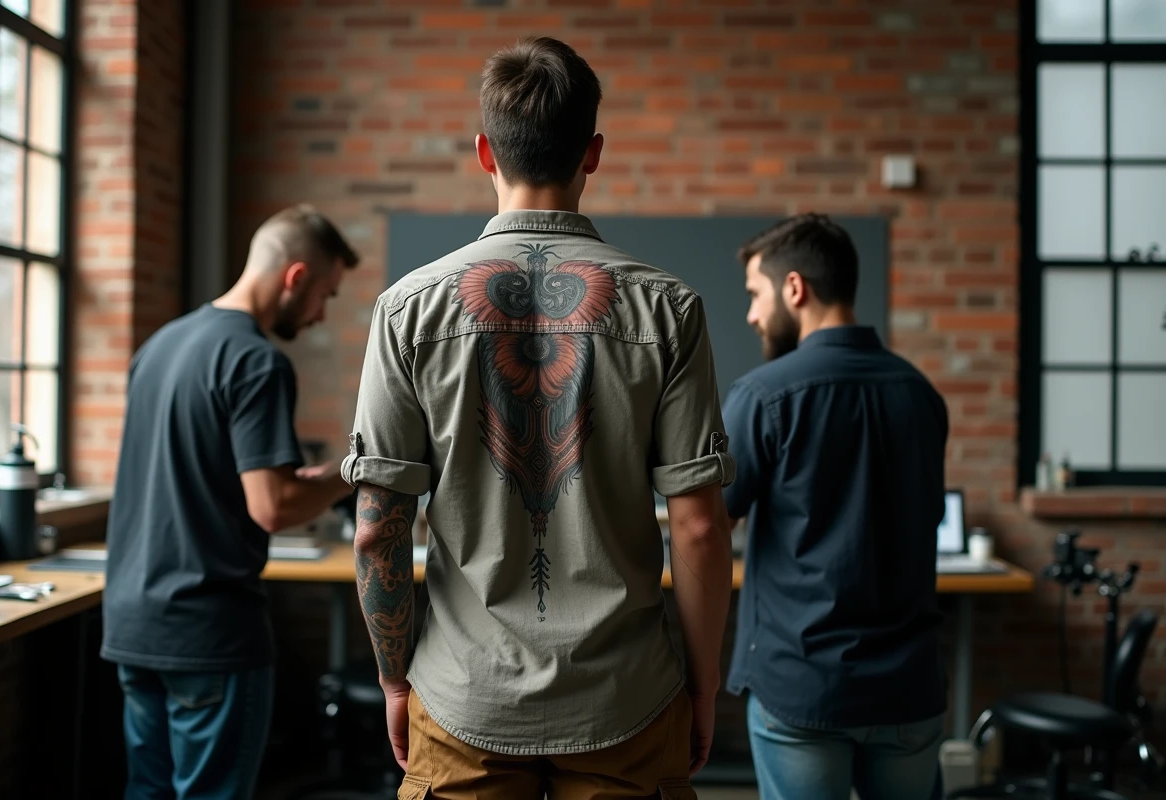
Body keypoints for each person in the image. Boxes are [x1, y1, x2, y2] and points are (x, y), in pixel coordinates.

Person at [343, 36, 734, 800]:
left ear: (485, 152)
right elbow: (699, 527)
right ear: (593, 153)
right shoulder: (669, 309)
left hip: (463, 698)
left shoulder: (406, 310)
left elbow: (376, 528)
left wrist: (394, 680)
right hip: (628, 697)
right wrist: (704, 684)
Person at [101, 205, 359, 799]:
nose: (321, 315)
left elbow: (191, 472)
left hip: (134, 625)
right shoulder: (256, 360)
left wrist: (297, 480)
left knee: (147, 791)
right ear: (295, 277)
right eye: (325, 295)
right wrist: (350, 473)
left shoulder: (160, 346)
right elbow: (273, 507)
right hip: (207, 634)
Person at [722, 214, 949, 800]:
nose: (751, 315)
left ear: (794, 288)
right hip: (908, 690)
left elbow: (707, 522)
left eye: (755, 294)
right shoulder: (920, 394)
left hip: (803, 688)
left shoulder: (763, 396)